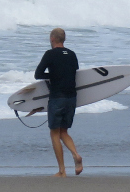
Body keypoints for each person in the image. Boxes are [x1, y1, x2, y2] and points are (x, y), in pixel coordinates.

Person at [34, 28, 83, 177]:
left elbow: (38, 74)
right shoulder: (72, 54)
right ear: (63, 39)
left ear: (52, 39)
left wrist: (53, 75)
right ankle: (75, 154)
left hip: (57, 98)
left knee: (55, 133)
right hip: (72, 97)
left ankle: (62, 170)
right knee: (64, 131)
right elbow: (75, 72)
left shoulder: (50, 54)